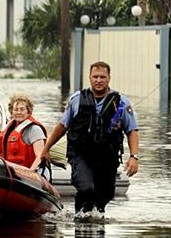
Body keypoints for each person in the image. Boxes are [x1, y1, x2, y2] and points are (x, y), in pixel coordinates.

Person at [40, 61, 140, 214]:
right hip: (81, 154)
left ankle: (97, 228)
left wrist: (134, 157)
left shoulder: (120, 102)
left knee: (105, 195)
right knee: (86, 188)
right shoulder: (77, 99)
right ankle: (80, 224)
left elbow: (132, 130)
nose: (99, 80)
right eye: (95, 77)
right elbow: (62, 126)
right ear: (89, 78)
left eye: (102, 77)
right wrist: (46, 148)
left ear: (109, 78)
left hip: (107, 156)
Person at [0, 93, 47, 170]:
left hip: (30, 174)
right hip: (10, 173)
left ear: (28, 111)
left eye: (22, 109)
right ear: (11, 112)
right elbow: (2, 152)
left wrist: (29, 175)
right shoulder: (9, 129)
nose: (19, 112)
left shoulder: (35, 130)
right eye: (16, 109)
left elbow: (40, 157)